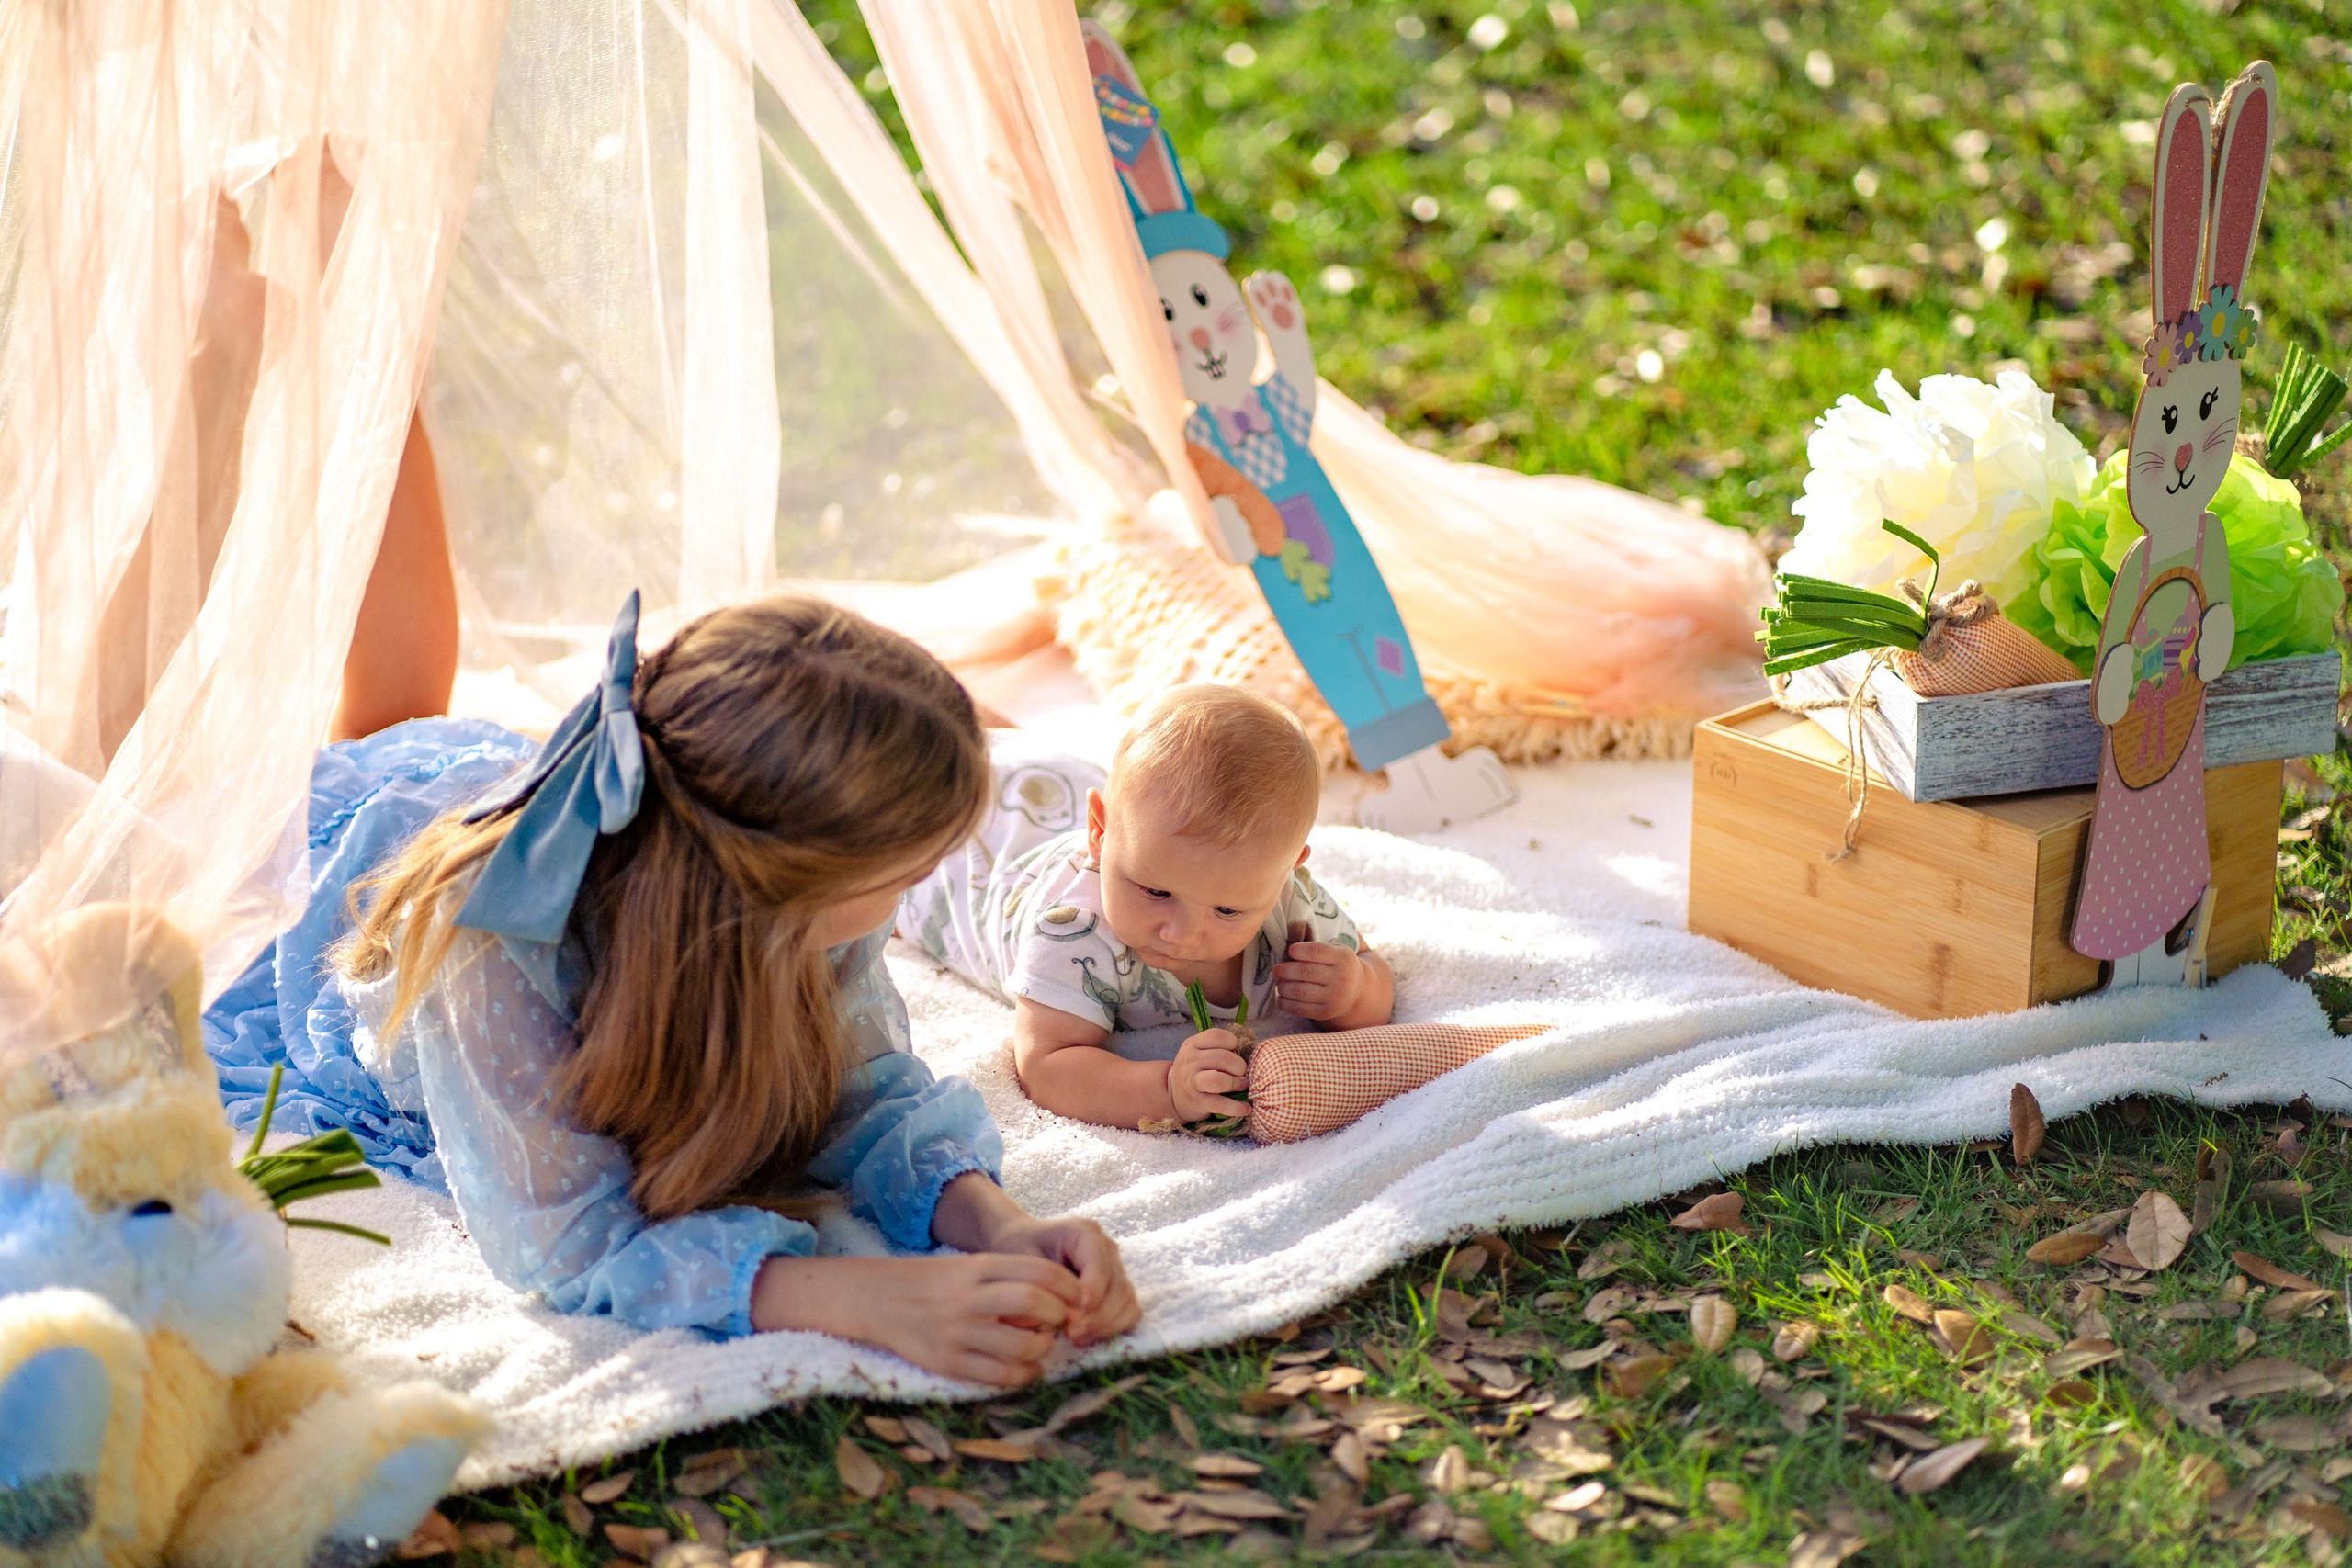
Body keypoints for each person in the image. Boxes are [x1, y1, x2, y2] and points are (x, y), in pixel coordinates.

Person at [204, 592, 1137, 1387]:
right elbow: (564, 1246)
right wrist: (866, 1299)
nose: (909, 902)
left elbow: (866, 1091)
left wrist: (1001, 1225)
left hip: (529, 802)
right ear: (774, 890)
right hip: (324, 858)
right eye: (904, 875)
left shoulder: (790, 918)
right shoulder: (489, 953)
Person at [899, 684, 1394, 1131]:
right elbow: (1047, 1065)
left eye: (1226, 911)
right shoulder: (1072, 931)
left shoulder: (1290, 902)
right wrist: (1167, 1092)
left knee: (1015, 762)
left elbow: (1372, 967)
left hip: (1059, 797)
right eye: (1155, 893)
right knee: (914, 809)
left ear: (1289, 869)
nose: (1180, 933)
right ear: (1100, 832)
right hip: (975, 861)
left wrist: (1353, 992)